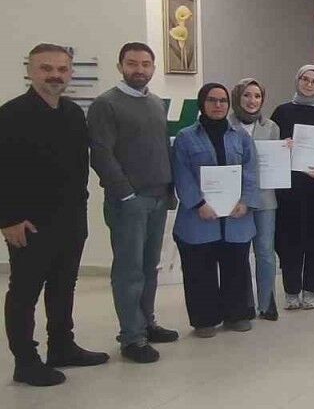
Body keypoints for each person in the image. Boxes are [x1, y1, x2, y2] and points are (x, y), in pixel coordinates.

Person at [1, 44, 108, 386]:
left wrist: (81, 210)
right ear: (30, 71)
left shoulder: (73, 113)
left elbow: (78, 167)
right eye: (46, 68)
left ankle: (62, 346)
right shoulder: (11, 114)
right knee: (24, 291)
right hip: (28, 223)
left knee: (64, 286)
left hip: (70, 219)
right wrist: (7, 219)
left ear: (70, 73)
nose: (55, 75)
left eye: (62, 69)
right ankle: (25, 361)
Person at [87, 42, 180, 363]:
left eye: (145, 64)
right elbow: (101, 154)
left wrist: (168, 191)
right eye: (132, 63)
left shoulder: (155, 103)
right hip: (129, 201)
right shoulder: (106, 104)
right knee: (129, 271)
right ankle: (131, 337)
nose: (139, 70)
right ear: (120, 66)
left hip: (157, 197)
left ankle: (146, 323)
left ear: (153, 68)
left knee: (150, 267)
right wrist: (126, 193)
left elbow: (162, 149)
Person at [170, 83, 259, 338]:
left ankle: (237, 314)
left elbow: (251, 171)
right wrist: (198, 204)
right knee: (200, 270)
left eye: (222, 101)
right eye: (212, 100)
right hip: (198, 217)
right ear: (202, 103)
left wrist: (246, 201)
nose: (218, 105)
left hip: (236, 216)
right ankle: (205, 319)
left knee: (236, 267)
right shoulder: (186, 137)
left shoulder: (241, 136)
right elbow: (181, 174)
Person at [270, 65, 314, 310]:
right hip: (290, 189)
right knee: (289, 240)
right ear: (297, 80)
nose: (309, 84)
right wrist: (282, 146)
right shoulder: (282, 112)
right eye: (305, 79)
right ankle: (291, 291)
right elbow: (270, 146)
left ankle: (311, 289)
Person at [228, 79, 281, 320]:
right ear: (237, 97)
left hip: (265, 198)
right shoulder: (226, 125)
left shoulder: (271, 127)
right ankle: (245, 303)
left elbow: (276, 162)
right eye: (247, 95)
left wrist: (285, 151)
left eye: (257, 96)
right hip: (236, 200)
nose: (252, 101)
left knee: (265, 252)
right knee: (239, 253)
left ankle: (267, 302)